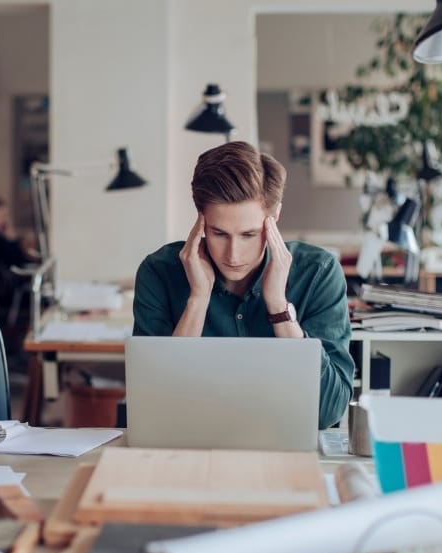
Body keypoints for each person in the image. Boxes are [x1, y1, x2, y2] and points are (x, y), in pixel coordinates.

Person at [132, 141, 354, 428]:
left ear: (274, 219)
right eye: (219, 233)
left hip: (286, 451)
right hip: (190, 447)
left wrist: (278, 306)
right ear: (200, 221)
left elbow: (328, 412)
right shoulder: (159, 272)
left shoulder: (318, 273)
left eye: (249, 234)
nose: (233, 255)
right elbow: (155, 406)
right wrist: (198, 299)